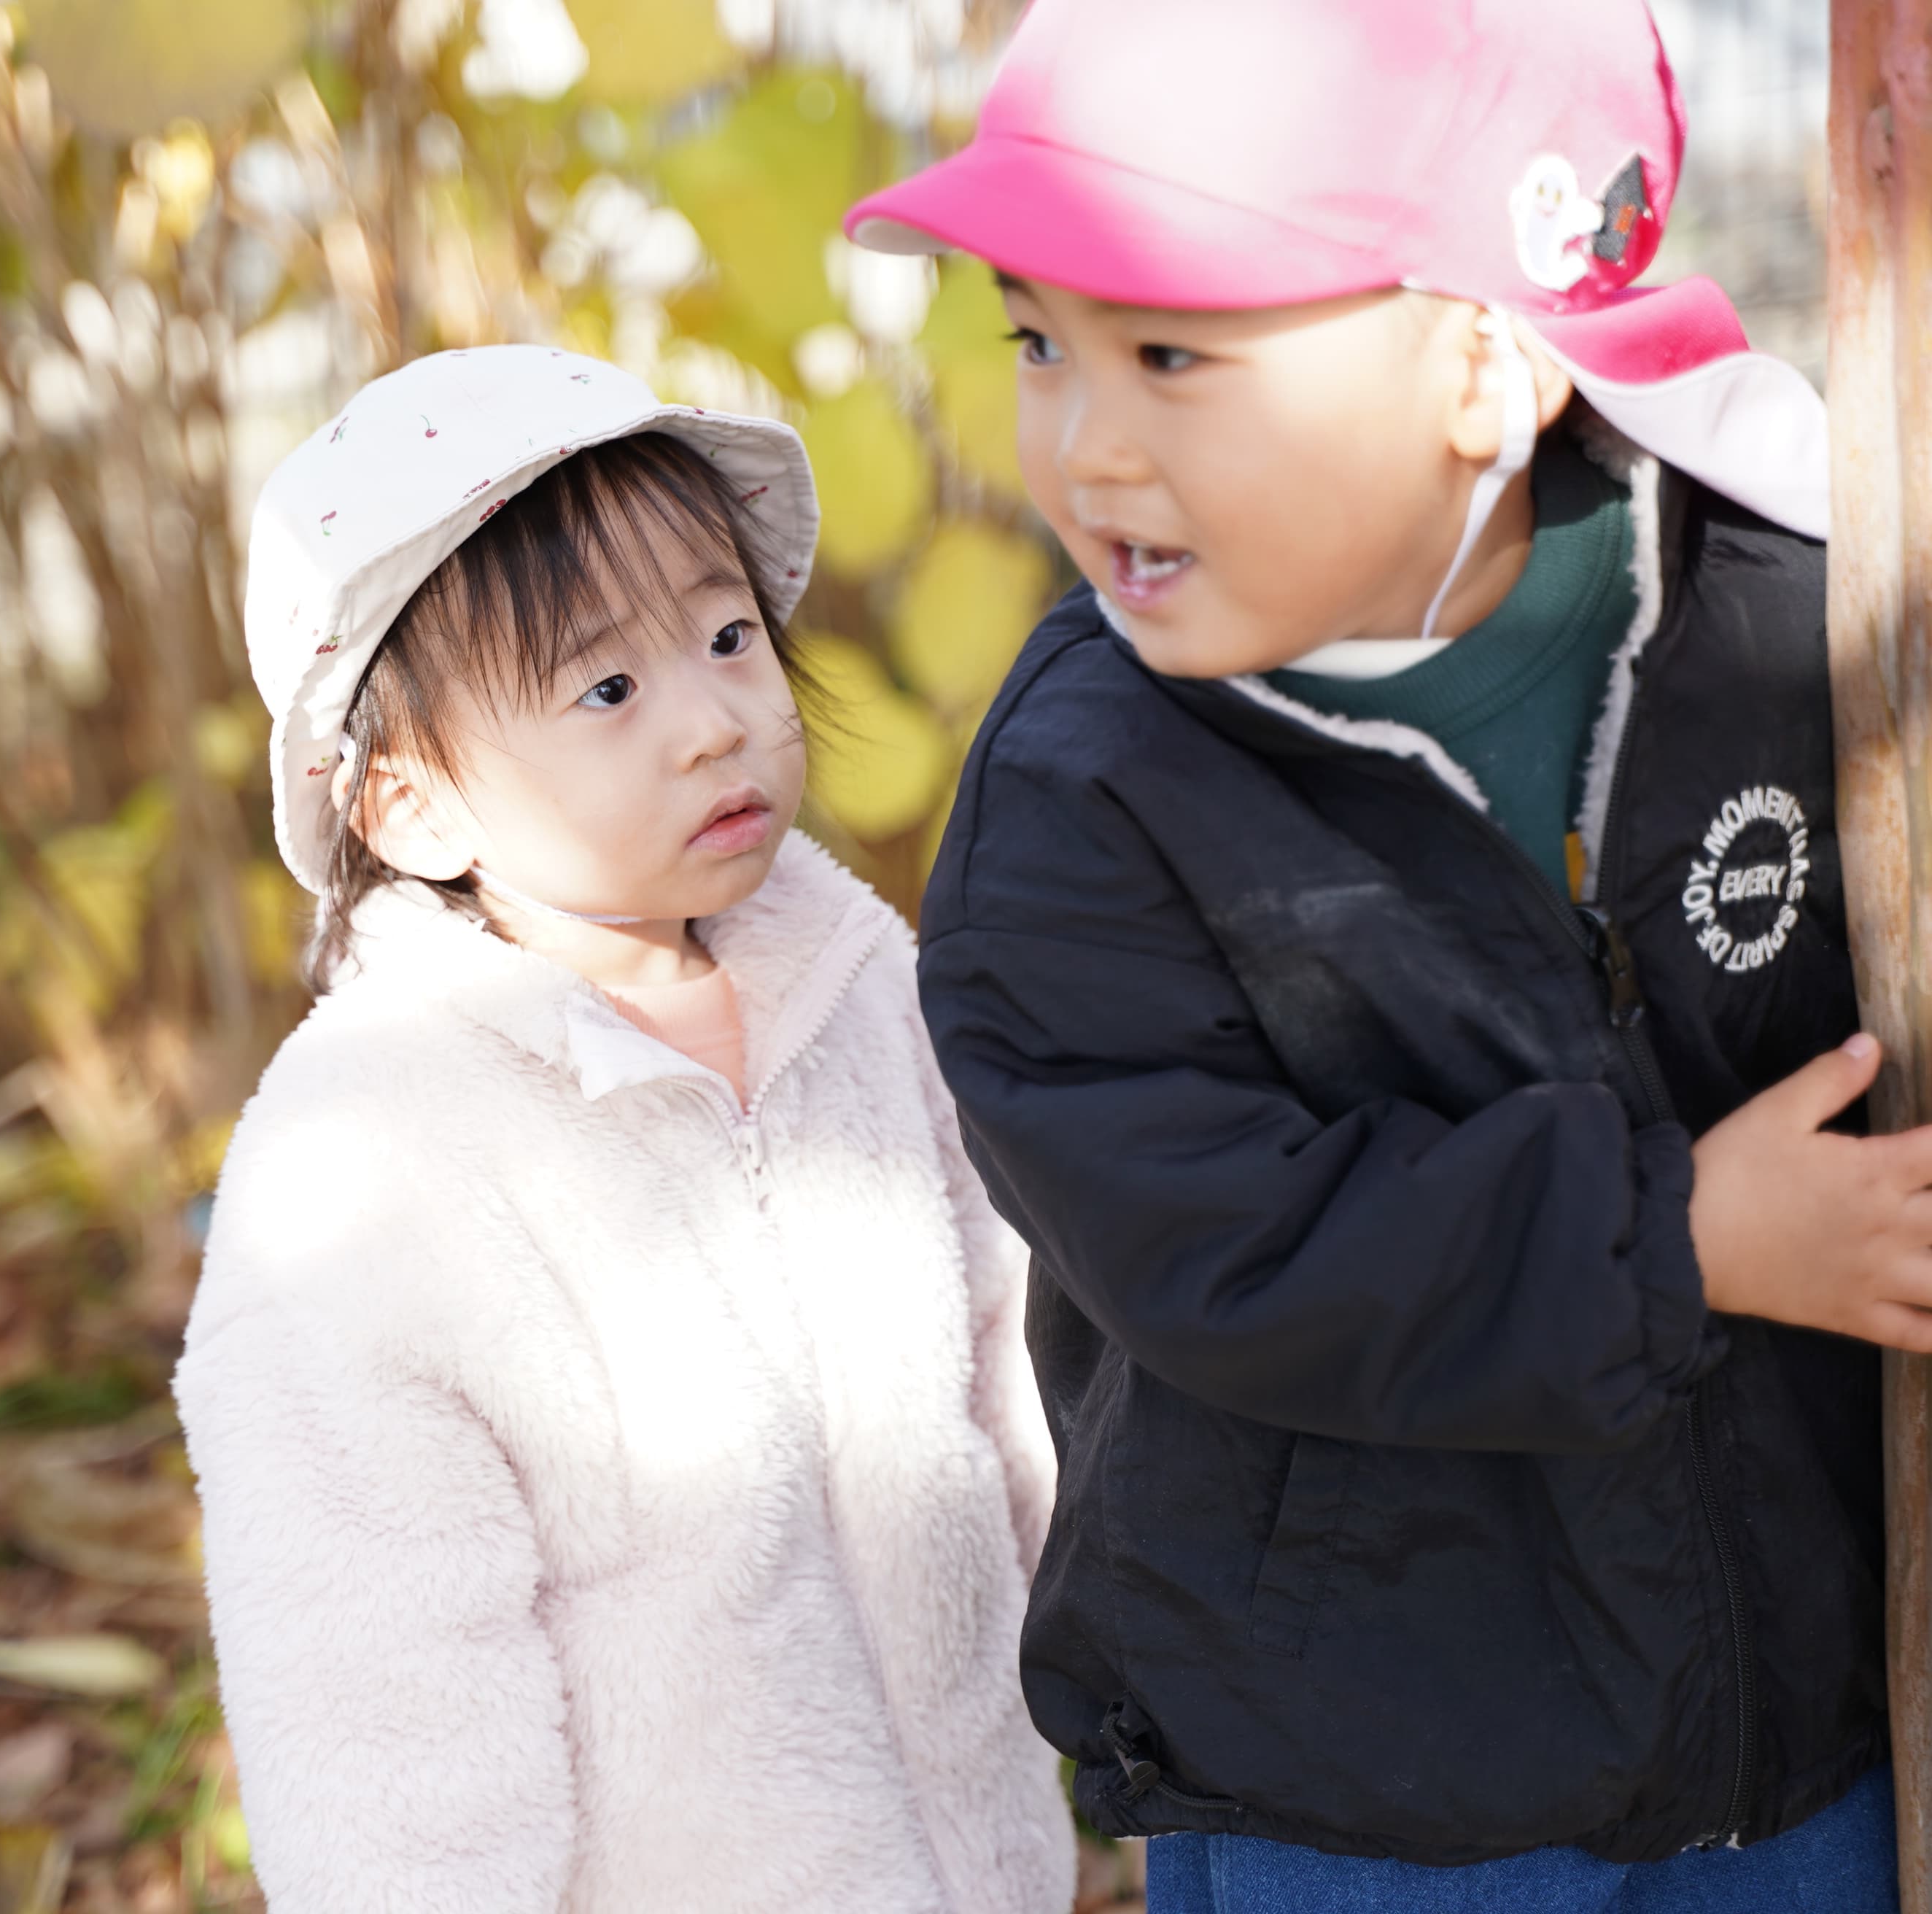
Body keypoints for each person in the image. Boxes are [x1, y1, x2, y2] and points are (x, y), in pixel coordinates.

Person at [844, 0, 1928, 1906]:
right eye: (1039, 344)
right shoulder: (1091, 794)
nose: (1085, 444)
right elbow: (1217, 1245)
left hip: (1794, 1706)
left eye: (1171, 354)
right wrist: (1675, 1243)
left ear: (1486, 370)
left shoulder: (1787, 619)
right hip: (1367, 1774)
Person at [172, 345, 1074, 1914]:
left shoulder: (864, 990)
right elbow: (375, 1689)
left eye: (729, 636)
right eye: (608, 689)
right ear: (411, 808)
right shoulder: (371, 1164)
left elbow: (1017, 1363)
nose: (717, 722)